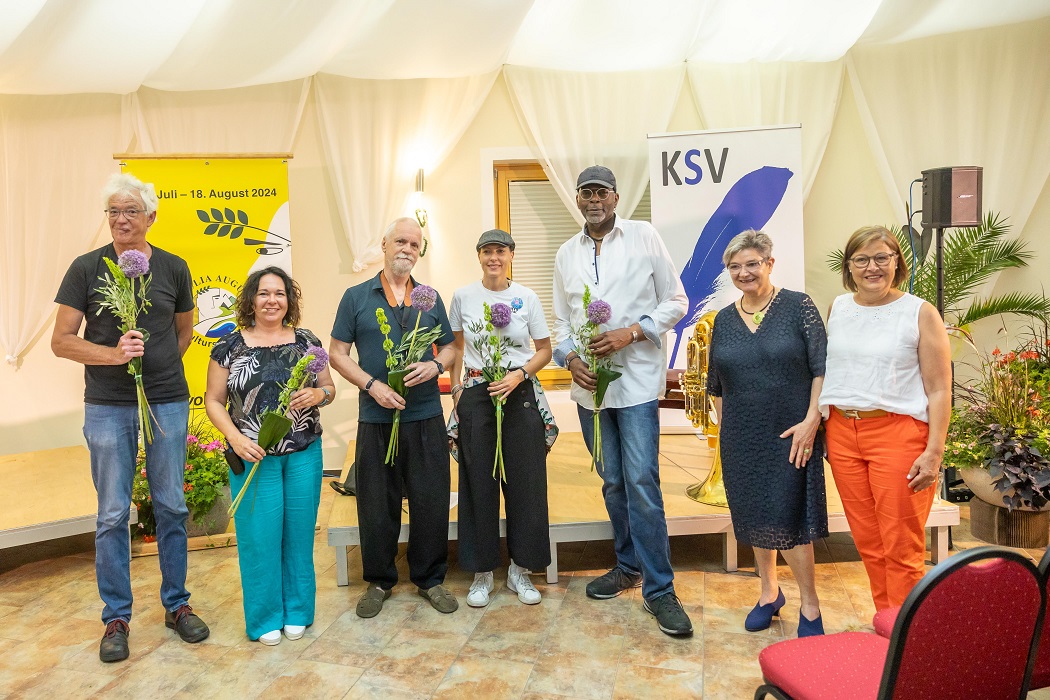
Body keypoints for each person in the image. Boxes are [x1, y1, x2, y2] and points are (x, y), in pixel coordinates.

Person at [51, 173, 209, 662]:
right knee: (113, 513)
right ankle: (116, 617)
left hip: (166, 400)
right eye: (113, 212)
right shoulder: (86, 267)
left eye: (131, 211)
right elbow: (61, 341)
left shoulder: (174, 267)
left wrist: (154, 370)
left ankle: (177, 605)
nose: (121, 220)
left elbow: (183, 332)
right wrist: (114, 357)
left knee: (172, 505)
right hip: (106, 404)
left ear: (151, 217)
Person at [552, 165, 692, 636]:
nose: (594, 200)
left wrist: (630, 333)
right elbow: (561, 323)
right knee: (613, 481)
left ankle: (660, 590)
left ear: (615, 197)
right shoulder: (566, 253)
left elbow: (676, 301)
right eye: (585, 193)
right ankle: (628, 566)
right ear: (578, 199)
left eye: (602, 192)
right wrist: (571, 358)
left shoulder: (644, 236)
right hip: (589, 390)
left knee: (641, 481)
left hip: (635, 385)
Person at [329, 217, 458, 618]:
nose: (407, 249)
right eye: (400, 241)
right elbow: (337, 353)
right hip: (375, 417)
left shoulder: (429, 298)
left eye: (415, 244)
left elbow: (450, 348)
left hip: (425, 415)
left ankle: (430, 579)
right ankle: (379, 581)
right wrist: (372, 386)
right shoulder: (356, 297)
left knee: (430, 500)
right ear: (384, 245)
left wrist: (436, 366)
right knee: (375, 504)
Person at [818, 226, 951, 611]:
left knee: (901, 544)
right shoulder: (839, 307)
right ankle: (887, 620)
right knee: (868, 541)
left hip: (898, 433)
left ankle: (907, 635)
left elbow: (940, 389)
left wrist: (934, 452)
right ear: (849, 266)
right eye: (861, 259)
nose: (872, 267)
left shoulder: (920, 312)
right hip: (842, 433)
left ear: (897, 263)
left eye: (881, 258)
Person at [706, 230, 829, 637]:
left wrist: (812, 419)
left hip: (793, 433)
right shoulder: (724, 320)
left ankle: (810, 604)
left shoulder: (798, 307)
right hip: (743, 438)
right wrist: (728, 434)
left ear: (769, 264)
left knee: (789, 517)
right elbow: (716, 384)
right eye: (735, 267)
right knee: (756, 516)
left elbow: (822, 368)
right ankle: (769, 593)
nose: (744, 273)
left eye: (752, 264)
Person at [204, 267, 336, 645]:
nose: (272, 300)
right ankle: (264, 619)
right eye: (264, 293)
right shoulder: (228, 346)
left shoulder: (307, 342)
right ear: (251, 300)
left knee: (299, 536)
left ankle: (298, 610)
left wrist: (319, 395)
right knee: (259, 539)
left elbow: (329, 387)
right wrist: (235, 438)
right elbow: (213, 400)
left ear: (289, 301)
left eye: (279, 293)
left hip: (303, 453)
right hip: (253, 456)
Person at [446, 229, 557, 607]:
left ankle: (520, 570)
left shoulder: (527, 297)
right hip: (478, 396)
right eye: (487, 251)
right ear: (478, 256)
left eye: (501, 251)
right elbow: (456, 346)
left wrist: (520, 374)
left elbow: (544, 350)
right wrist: (457, 389)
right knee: (478, 484)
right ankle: (481, 573)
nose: (494, 257)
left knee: (526, 484)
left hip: (518, 393)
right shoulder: (463, 296)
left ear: (511, 255)